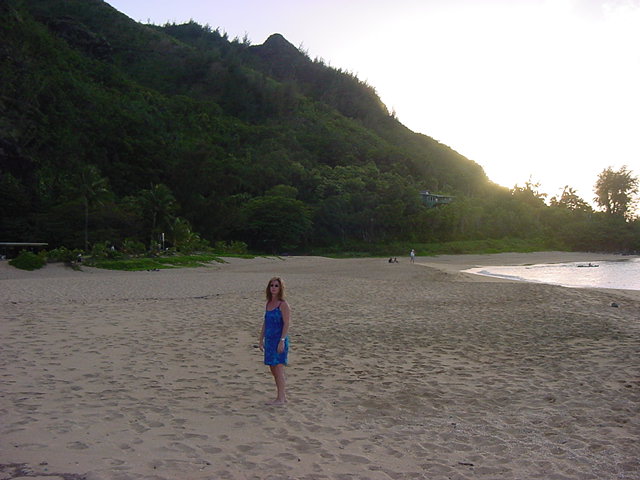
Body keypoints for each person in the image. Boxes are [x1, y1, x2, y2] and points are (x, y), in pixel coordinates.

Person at [258, 277, 290, 405]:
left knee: (278, 369)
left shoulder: (283, 305)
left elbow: (287, 324)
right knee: (272, 368)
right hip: (270, 341)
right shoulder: (268, 304)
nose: (273, 288)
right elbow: (266, 322)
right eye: (272, 285)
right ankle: (282, 396)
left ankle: (281, 398)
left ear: (280, 288)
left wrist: (282, 340)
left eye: (276, 286)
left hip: (279, 340)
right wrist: (261, 339)